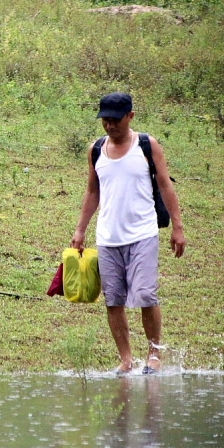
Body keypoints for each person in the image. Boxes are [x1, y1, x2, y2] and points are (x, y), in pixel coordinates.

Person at [70, 92, 185, 375]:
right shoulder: (95, 149)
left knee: (146, 295)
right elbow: (92, 191)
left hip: (143, 233)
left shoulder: (147, 145)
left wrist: (178, 227)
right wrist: (80, 229)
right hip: (108, 237)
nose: (109, 126)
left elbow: (165, 186)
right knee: (113, 300)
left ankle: (154, 355)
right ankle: (125, 359)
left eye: (115, 120)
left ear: (130, 116)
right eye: (105, 120)